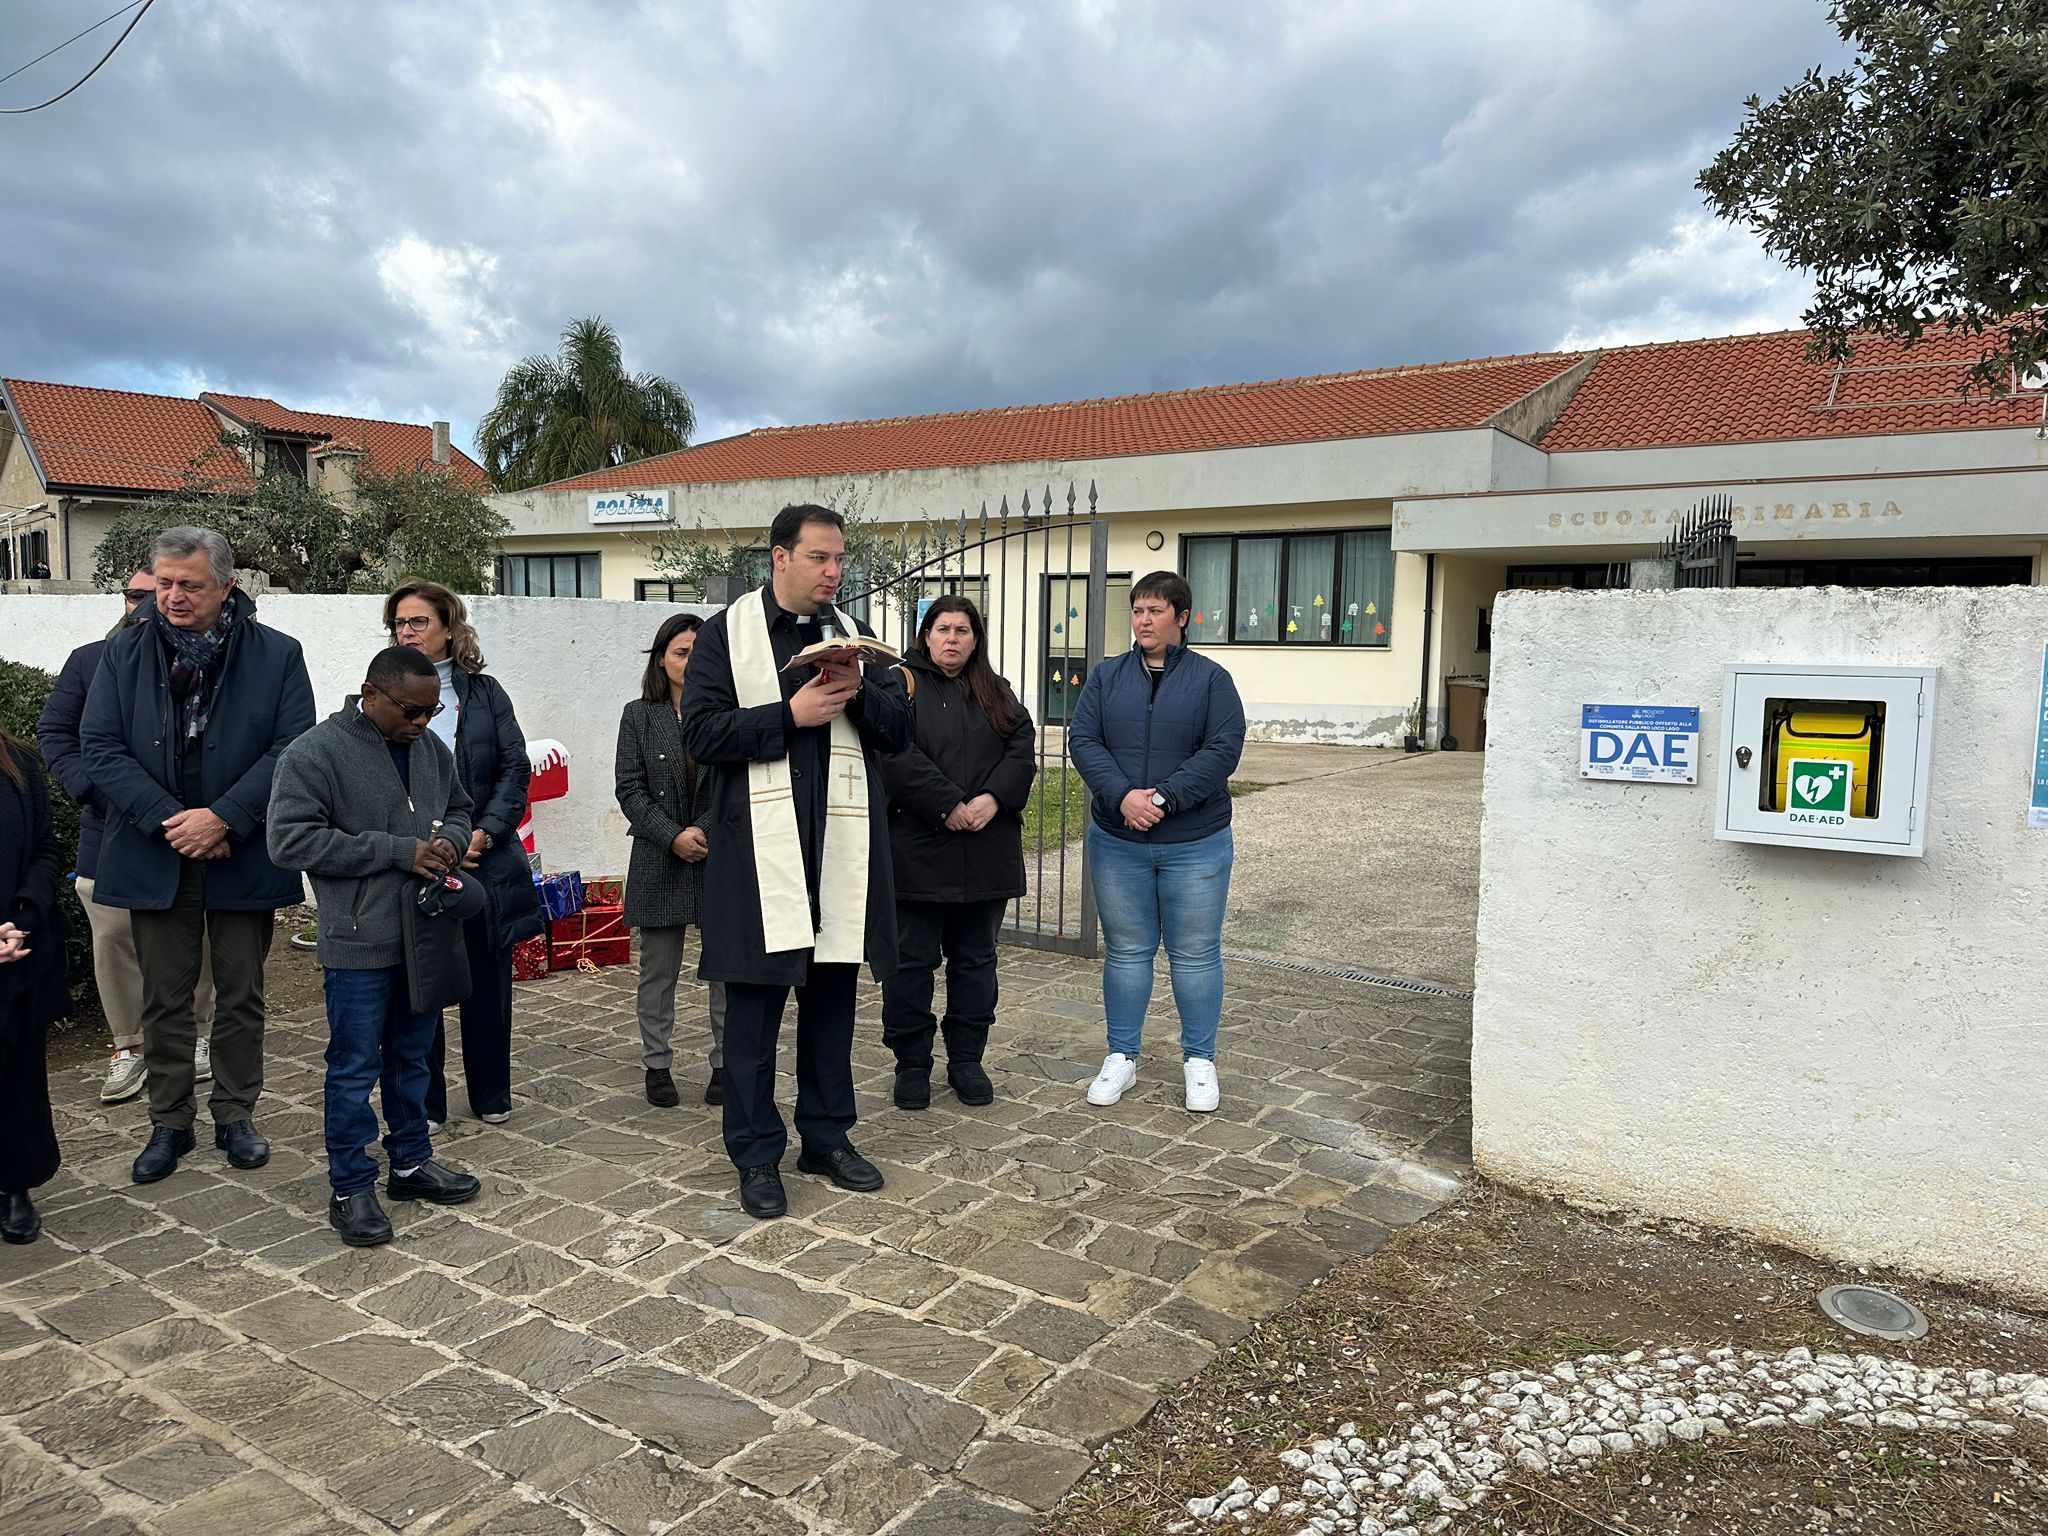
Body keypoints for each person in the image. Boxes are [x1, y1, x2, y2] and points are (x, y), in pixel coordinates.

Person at [680, 503, 912, 1218]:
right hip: (757, 862)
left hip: (837, 854)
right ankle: (755, 1155)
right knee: (751, 1018)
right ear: (779, 558)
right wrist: (791, 714)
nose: (834, 572)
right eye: (820, 557)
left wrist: (856, 692)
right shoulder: (726, 636)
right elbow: (702, 734)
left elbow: (900, 732)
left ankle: (826, 1136)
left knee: (832, 1011)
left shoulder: (855, 639)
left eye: (840, 558)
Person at [81, 527, 315, 1184]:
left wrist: (224, 817)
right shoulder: (122, 653)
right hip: (155, 851)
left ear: (226, 587)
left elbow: (292, 747)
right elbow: (99, 746)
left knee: (242, 992)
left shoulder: (277, 655)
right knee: (164, 995)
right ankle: (170, 1123)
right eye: (164, 583)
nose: (174, 596)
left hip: (240, 851)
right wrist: (169, 820)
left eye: (190, 584)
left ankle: (236, 1114)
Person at [267, 645, 484, 1246]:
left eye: (430, 711)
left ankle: (411, 1164)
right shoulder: (315, 753)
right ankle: (351, 1187)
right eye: (411, 711)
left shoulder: (429, 749)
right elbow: (288, 842)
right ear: (372, 692)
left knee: (412, 1059)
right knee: (354, 1067)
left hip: (424, 934)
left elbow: (460, 807)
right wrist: (398, 850)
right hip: (358, 940)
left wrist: (451, 841)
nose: (421, 723)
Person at [36, 569, 218, 1105]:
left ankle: (199, 1035)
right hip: (110, 832)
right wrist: (93, 792)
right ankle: (131, 1045)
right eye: (138, 593)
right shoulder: (91, 660)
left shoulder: (211, 658)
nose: (152, 601)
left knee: (201, 936)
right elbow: (56, 732)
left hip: (194, 832)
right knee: (113, 937)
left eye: (159, 590)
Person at [1068, 570, 1246, 1114]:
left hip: (1196, 841)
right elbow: (1084, 738)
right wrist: (1123, 797)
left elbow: (1222, 750)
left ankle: (1199, 1061)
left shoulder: (1212, 680)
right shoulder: (1106, 677)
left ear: (1182, 618)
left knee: (1194, 954)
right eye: (1137, 611)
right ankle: (1121, 1056)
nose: (1143, 621)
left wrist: (1163, 799)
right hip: (1118, 840)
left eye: (1155, 611)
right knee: (1126, 951)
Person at [384, 578, 544, 1129]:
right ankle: (424, 1103)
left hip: (483, 858)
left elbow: (514, 768)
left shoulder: (485, 693)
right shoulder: (377, 699)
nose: (407, 631)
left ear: (449, 629)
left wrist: (484, 834)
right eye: (399, 623)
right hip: (414, 861)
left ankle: (491, 1092)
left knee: (486, 982)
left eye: (418, 622)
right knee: (419, 986)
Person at [878, 597, 1035, 1110]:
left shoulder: (995, 689)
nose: (953, 639)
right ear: (926, 635)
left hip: (985, 852)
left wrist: (992, 798)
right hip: (919, 853)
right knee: (911, 965)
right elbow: (894, 753)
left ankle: (967, 1060)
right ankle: (912, 1064)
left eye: (963, 630)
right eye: (943, 628)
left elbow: (1020, 746)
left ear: (976, 638)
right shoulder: (899, 685)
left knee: (975, 963)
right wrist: (947, 803)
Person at [616, 613, 728, 1108]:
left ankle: (726, 1064)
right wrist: (672, 836)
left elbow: (733, 782)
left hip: (717, 855)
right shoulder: (638, 715)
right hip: (658, 858)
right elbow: (630, 789)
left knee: (726, 969)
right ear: (662, 658)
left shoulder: (726, 713)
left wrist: (701, 829)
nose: (690, 661)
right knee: (657, 971)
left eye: (698, 652)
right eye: (681, 652)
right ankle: (656, 1065)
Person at [0, 724, 65, 1244]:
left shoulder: (18, 762)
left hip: (17, 945)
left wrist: (24, 913)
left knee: (18, 1069)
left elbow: (46, 848)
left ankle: (14, 1183)